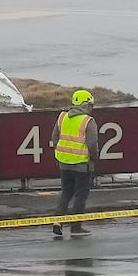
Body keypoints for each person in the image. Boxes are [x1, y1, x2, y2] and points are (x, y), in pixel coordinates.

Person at [51, 89, 99, 237]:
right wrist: (95, 159)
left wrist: (61, 153)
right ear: (86, 105)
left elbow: (54, 137)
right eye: (90, 105)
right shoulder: (88, 121)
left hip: (64, 163)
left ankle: (57, 221)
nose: (91, 109)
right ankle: (76, 227)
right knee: (80, 195)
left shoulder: (62, 117)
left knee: (66, 192)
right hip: (82, 164)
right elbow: (92, 144)